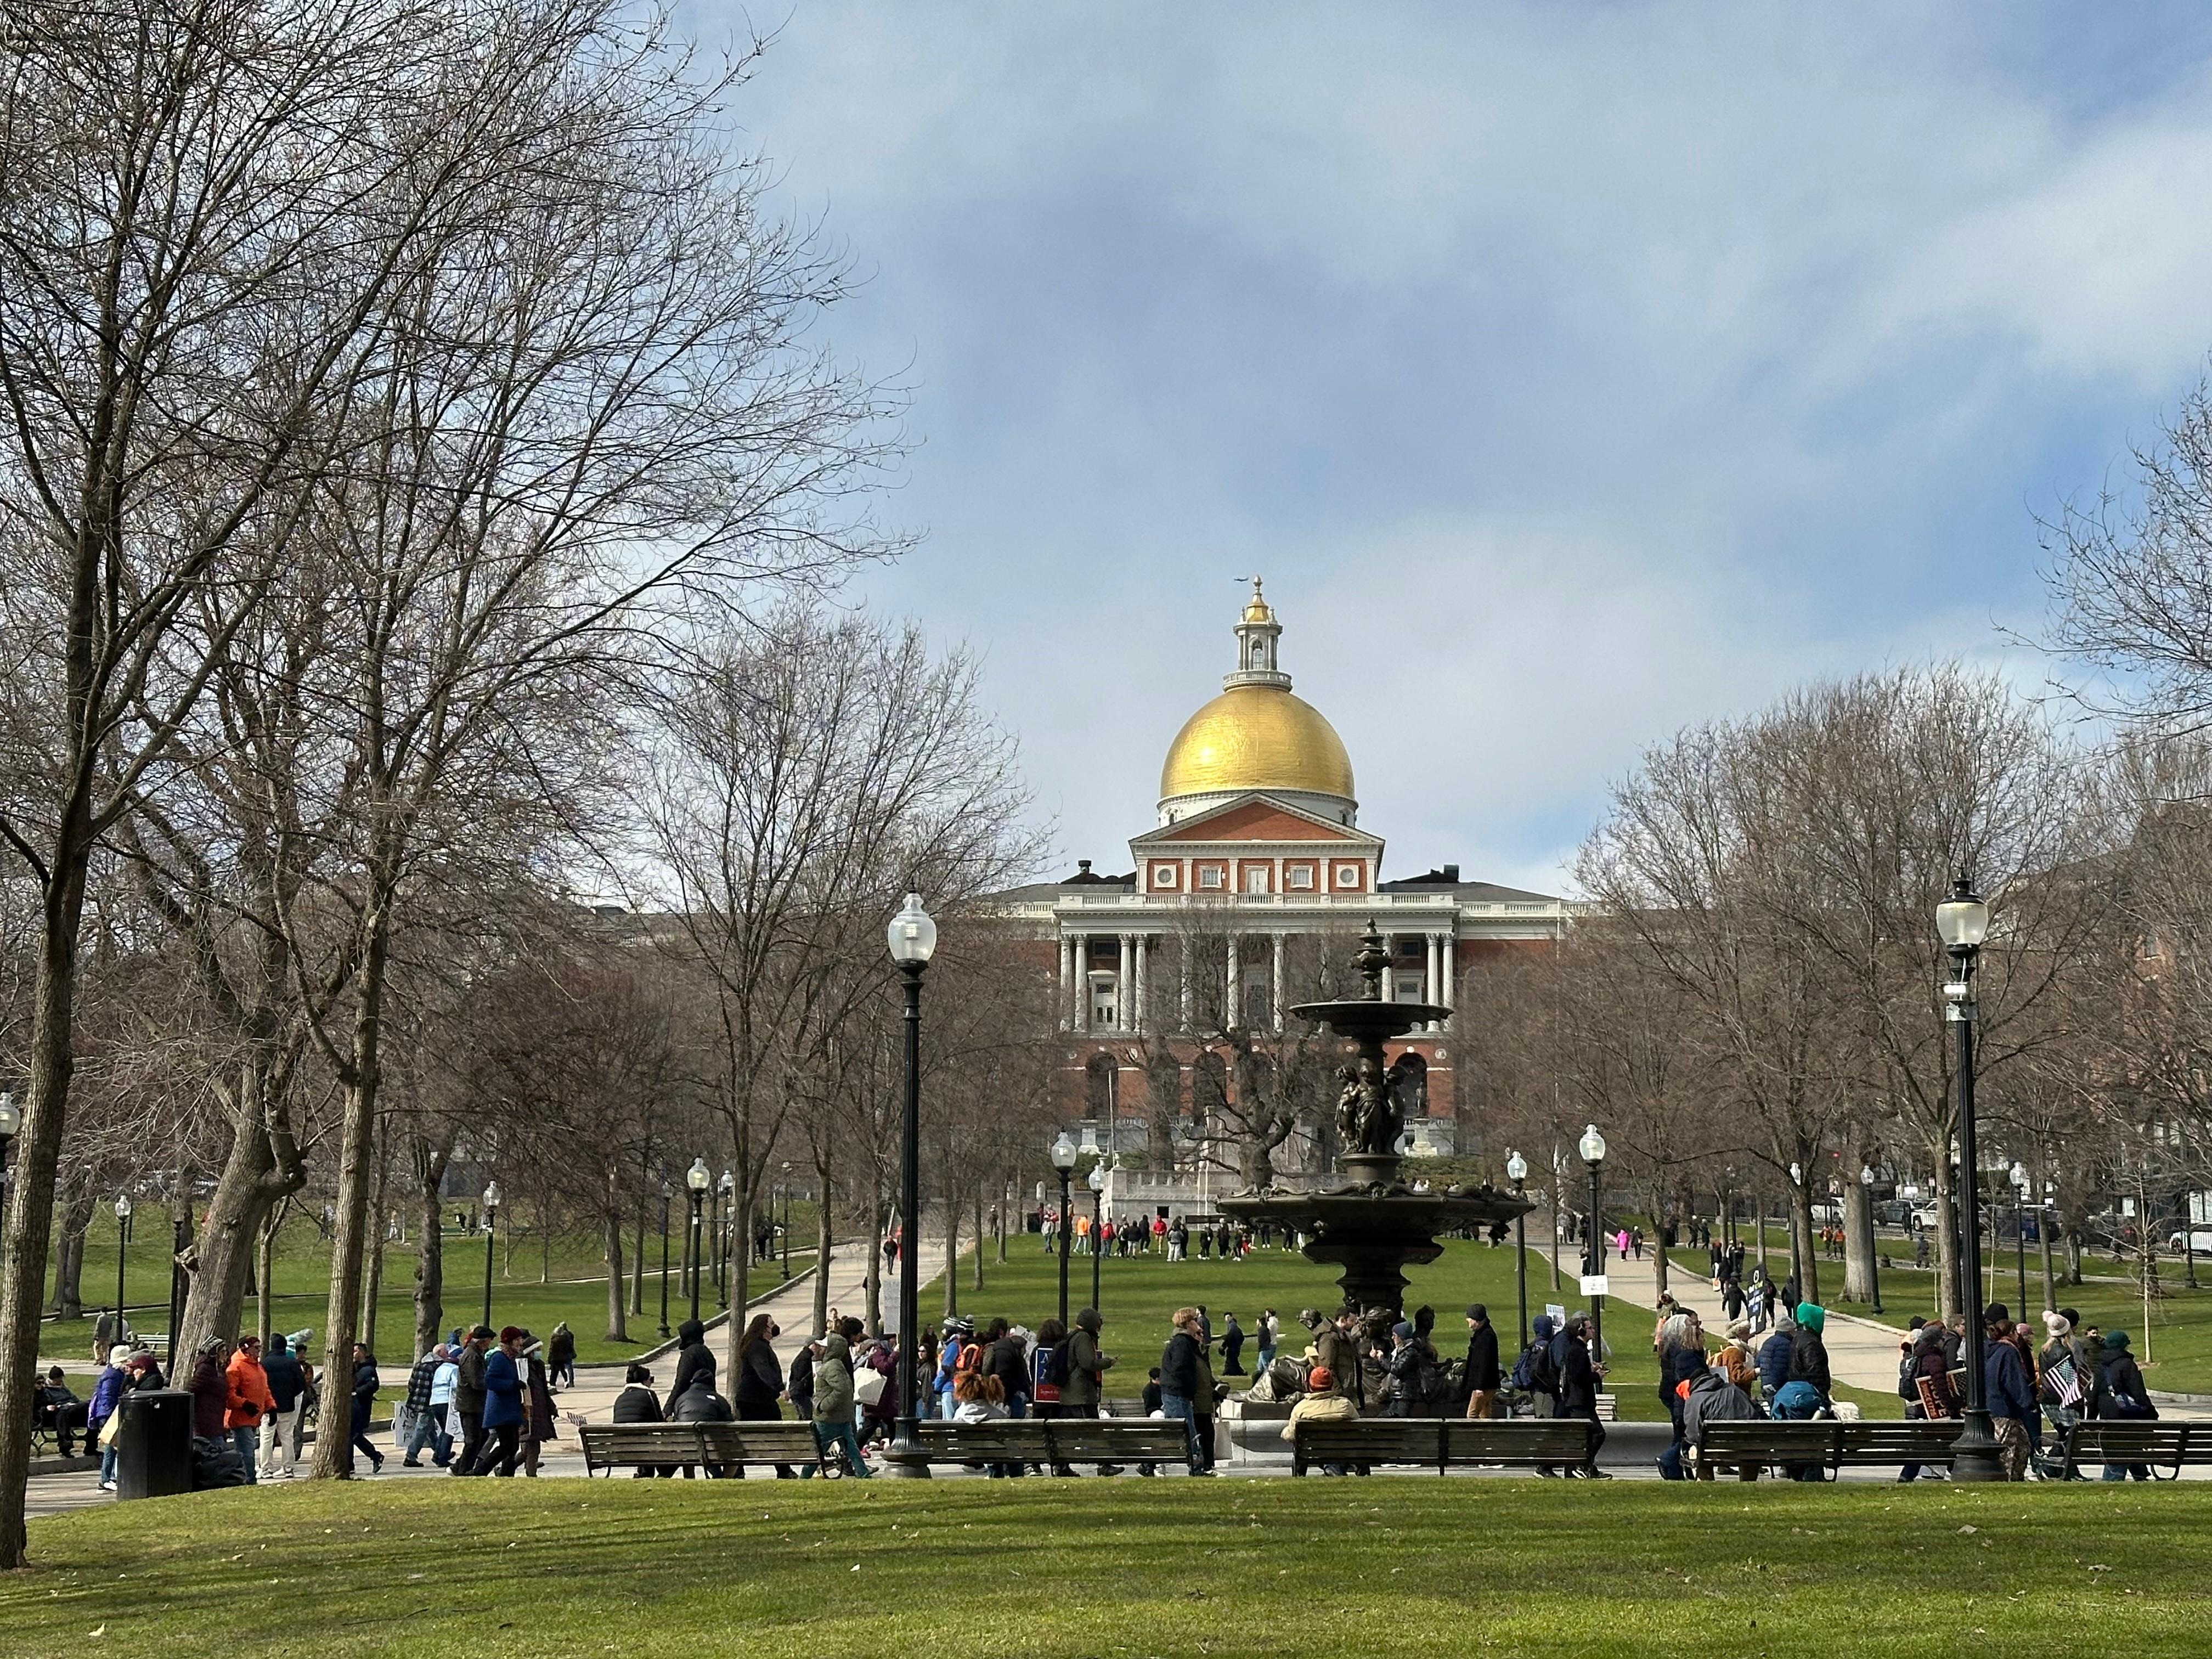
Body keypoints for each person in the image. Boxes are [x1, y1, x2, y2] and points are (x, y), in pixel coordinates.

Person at [806, 1329, 871, 1478]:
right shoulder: (835, 1364)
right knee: (852, 1449)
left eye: (823, 1346)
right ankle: (863, 1474)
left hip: (829, 1418)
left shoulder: (831, 1366)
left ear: (830, 1349)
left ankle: (804, 1477)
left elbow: (842, 1390)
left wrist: (823, 1405)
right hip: (841, 1417)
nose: (820, 1349)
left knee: (819, 1450)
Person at [1980, 1302, 2035, 1481]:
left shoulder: (1988, 1349)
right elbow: (2013, 1381)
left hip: (1992, 1406)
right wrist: (2028, 1402)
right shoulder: (2008, 1352)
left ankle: (2007, 1476)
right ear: (2011, 1333)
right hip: (2006, 1408)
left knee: (2015, 1444)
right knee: (2014, 1447)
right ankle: (2009, 1478)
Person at [2092, 1330, 2155, 1481]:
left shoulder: (2100, 1366)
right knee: (2126, 1448)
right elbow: (2139, 1394)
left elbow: (2093, 1396)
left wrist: (2090, 1419)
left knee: (2118, 1449)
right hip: (2127, 1419)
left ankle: (2139, 1475)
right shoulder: (2127, 1365)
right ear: (2124, 1346)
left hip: (2107, 1419)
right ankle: (2114, 1480)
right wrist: (2152, 1414)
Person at [1555, 1313, 1609, 1477]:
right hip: (1579, 1402)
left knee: (1584, 1437)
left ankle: (1579, 1469)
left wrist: (1590, 1369)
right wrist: (1596, 1377)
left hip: (1580, 1401)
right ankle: (1582, 1465)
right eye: (1589, 1328)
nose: (1592, 1331)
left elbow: (1578, 1372)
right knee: (1598, 1434)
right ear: (1581, 1331)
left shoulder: (1577, 1350)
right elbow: (1578, 1378)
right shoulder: (1577, 1350)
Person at [466, 1328, 523, 1477]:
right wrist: (512, 1384)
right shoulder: (499, 1358)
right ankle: (480, 1470)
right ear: (509, 1342)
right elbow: (490, 1381)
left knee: (512, 1447)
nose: (520, 1343)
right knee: (507, 1446)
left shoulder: (511, 1359)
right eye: (517, 1340)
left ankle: (506, 1474)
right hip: (501, 1410)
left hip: (511, 1409)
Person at [1282, 1363, 1358, 1473]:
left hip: (1312, 1451)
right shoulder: (1345, 1405)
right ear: (1331, 1384)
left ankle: (1331, 1469)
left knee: (1300, 1446)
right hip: (1342, 1450)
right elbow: (1358, 1429)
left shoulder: (1301, 1408)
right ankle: (1334, 1468)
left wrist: (1285, 1432)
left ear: (1310, 1385)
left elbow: (1292, 1435)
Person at [1159, 1307, 1208, 1475]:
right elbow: (1180, 1368)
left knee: (1183, 1432)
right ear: (1188, 1324)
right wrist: (1189, 1386)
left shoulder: (1184, 1342)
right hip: (1178, 1394)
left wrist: (1199, 1341)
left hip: (1178, 1393)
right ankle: (1196, 1467)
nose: (1198, 1324)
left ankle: (1196, 1466)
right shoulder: (1182, 1343)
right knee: (1184, 1433)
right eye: (1195, 1321)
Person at [224, 1334, 277, 1485]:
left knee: (248, 1450)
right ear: (246, 1349)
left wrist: (271, 1406)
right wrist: (244, 1404)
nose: (259, 1350)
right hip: (240, 1417)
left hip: (254, 1417)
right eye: (256, 1348)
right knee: (247, 1452)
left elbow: (264, 1389)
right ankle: (249, 1480)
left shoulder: (257, 1366)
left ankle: (247, 1479)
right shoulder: (236, 1367)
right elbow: (230, 1395)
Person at [258, 1334, 307, 1478]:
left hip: (269, 1407)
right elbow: (301, 1385)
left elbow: (260, 1385)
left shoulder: (264, 1364)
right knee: (287, 1437)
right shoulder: (292, 1363)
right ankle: (288, 1468)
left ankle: (266, 1469)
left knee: (266, 1437)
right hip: (288, 1406)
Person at [449, 1325, 490, 1477]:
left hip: (475, 1404)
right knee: (473, 1440)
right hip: (470, 1405)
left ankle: (461, 1466)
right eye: (488, 1341)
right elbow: (477, 1382)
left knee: (482, 1436)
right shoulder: (472, 1356)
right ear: (482, 1341)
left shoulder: (476, 1354)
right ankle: (462, 1470)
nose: (489, 1344)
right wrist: (490, 1382)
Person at [518, 1331, 557, 1476]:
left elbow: (543, 1391)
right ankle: (530, 1473)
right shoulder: (522, 1367)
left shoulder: (538, 1366)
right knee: (530, 1446)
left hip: (540, 1409)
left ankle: (522, 1470)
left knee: (533, 1445)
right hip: (529, 1410)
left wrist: (552, 1407)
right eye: (536, 1350)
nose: (539, 1353)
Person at [663, 1318, 714, 1418]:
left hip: (690, 1402)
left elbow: (682, 1381)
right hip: (708, 1401)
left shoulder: (689, 1354)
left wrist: (668, 1407)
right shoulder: (707, 1353)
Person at [348, 1342, 385, 1475]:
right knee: (350, 1436)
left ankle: (375, 1456)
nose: (353, 1354)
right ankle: (349, 1465)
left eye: (356, 1351)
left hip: (361, 1407)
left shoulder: (369, 1369)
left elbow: (373, 1385)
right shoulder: (354, 1368)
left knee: (355, 1436)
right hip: (352, 1406)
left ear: (363, 1353)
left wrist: (357, 1393)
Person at [1787, 1302, 1832, 1407]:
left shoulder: (1798, 1338)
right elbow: (1815, 1371)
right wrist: (1821, 1393)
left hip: (1799, 1391)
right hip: (1810, 1395)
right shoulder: (1811, 1343)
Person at [33, 1367, 85, 1458]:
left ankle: (91, 1445)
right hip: (44, 1417)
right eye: (39, 1383)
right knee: (62, 1414)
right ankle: (65, 1446)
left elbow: (74, 1399)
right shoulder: (35, 1394)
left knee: (88, 1408)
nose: (42, 1385)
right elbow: (35, 1410)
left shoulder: (45, 1392)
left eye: (43, 1382)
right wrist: (47, 1408)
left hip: (59, 1413)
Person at [1463, 1304, 1502, 1419]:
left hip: (1483, 1386)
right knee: (1485, 1413)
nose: (1468, 1323)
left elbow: (1484, 1363)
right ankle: (1487, 1436)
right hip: (1487, 1385)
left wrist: (1479, 1387)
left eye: (1470, 1319)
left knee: (1472, 1414)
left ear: (1477, 1321)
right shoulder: (1484, 1334)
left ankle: (1476, 1437)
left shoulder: (1486, 1337)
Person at [1756, 1308, 1796, 1398]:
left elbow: (1757, 1363)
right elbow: (1782, 1368)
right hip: (1779, 1387)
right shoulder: (1787, 1345)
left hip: (1765, 1384)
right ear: (1789, 1331)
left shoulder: (1768, 1342)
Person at [546, 1322, 577, 1391]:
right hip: (564, 1357)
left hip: (555, 1358)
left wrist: (549, 1358)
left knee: (554, 1372)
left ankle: (553, 1384)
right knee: (564, 1370)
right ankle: (568, 1381)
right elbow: (570, 1347)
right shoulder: (567, 1337)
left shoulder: (554, 1340)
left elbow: (551, 1350)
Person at [1256, 1309, 1280, 1374]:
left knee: (1265, 1361)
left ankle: (1268, 1373)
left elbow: (1268, 1332)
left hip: (1269, 1344)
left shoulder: (1271, 1322)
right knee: (1264, 1361)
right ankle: (1261, 1372)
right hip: (1273, 1342)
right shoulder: (1275, 1320)